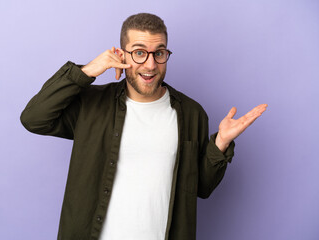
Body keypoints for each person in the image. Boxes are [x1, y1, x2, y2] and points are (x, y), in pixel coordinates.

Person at [20, 13, 267, 240]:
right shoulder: (91, 105)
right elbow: (34, 118)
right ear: (122, 55)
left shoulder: (192, 114)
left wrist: (221, 144)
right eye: (139, 52)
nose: (150, 65)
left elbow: (200, 188)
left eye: (159, 53)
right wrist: (86, 72)